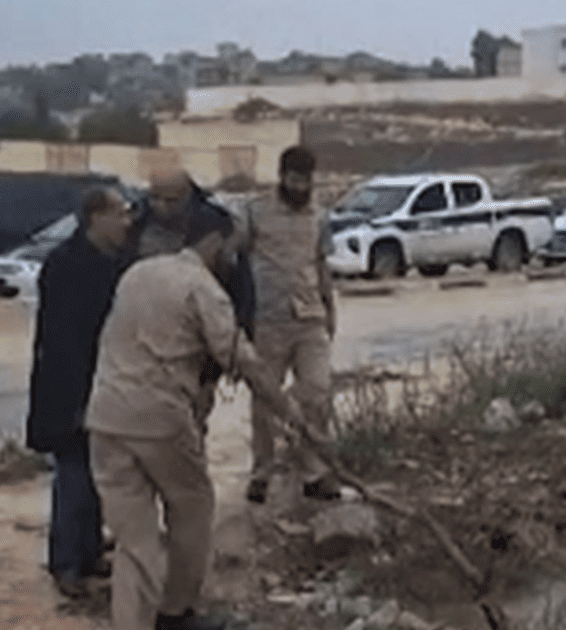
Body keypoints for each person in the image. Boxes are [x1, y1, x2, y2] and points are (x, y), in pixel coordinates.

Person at [86, 210, 314, 630]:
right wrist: (289, 413)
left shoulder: (137, 273)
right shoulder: (204, 290)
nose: (237, 259)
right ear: (216, 244)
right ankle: (177, 609)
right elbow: (244, 362)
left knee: (134, 538)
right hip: (160, 418)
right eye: (234, 249)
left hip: (105, 418)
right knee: (193, 506)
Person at [25, 186, 133, 599]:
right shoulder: (66, 265)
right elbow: (62, 342)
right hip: (70, 389)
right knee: (73, 477)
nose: (127, 222)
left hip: (103, 384)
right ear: (96, 217)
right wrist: (76, 401)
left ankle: (88, 554)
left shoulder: (113, 263)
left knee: (96, 475)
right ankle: (66, 564)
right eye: (120, 214)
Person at [241, 145, 341, 503]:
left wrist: (330, 309)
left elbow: (321, 265)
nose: (301, 187)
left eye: (306, 180)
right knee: (265, 403)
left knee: (316, 392)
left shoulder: (319, 214)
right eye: (295, 179)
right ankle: (262, 474)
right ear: (282, 177)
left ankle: (314, 472)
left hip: (309, 318)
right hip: (268, 320)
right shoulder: (255, 212)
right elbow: (238, 262)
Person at [126, 168, 256, 429]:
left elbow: (239, 290)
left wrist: (223, 365)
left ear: (187, 196)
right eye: (155, 198)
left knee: (187, 433)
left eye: (170, 201)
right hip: (139, 353)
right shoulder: (137, 225)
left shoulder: (214, 226)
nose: (160, 207)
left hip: (194, 352)